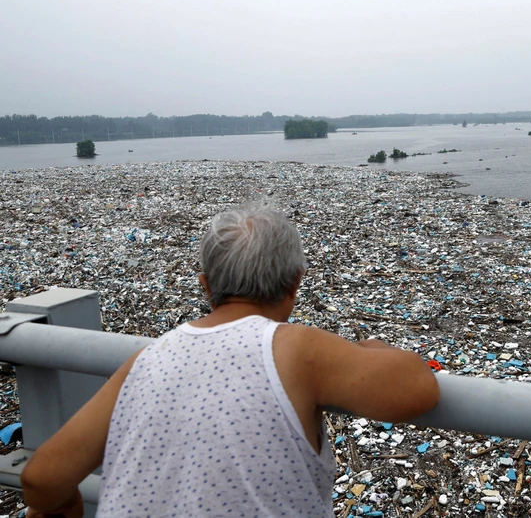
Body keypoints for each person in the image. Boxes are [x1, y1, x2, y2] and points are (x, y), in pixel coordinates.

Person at [22, 203, 440, 517]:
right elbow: (417, 388)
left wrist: (72, 507)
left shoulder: (146, 360)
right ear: (295, 281)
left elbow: (41, 479)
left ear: (205, 285)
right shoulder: (299, 350)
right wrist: (368, 348)